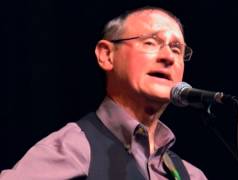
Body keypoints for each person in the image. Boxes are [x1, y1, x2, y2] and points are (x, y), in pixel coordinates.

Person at [0, 6, 207, 180]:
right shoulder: (74, 149)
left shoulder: (191, 175)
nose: (168, 57)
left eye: (176, 49)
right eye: (151, 42)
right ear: (107, 55)